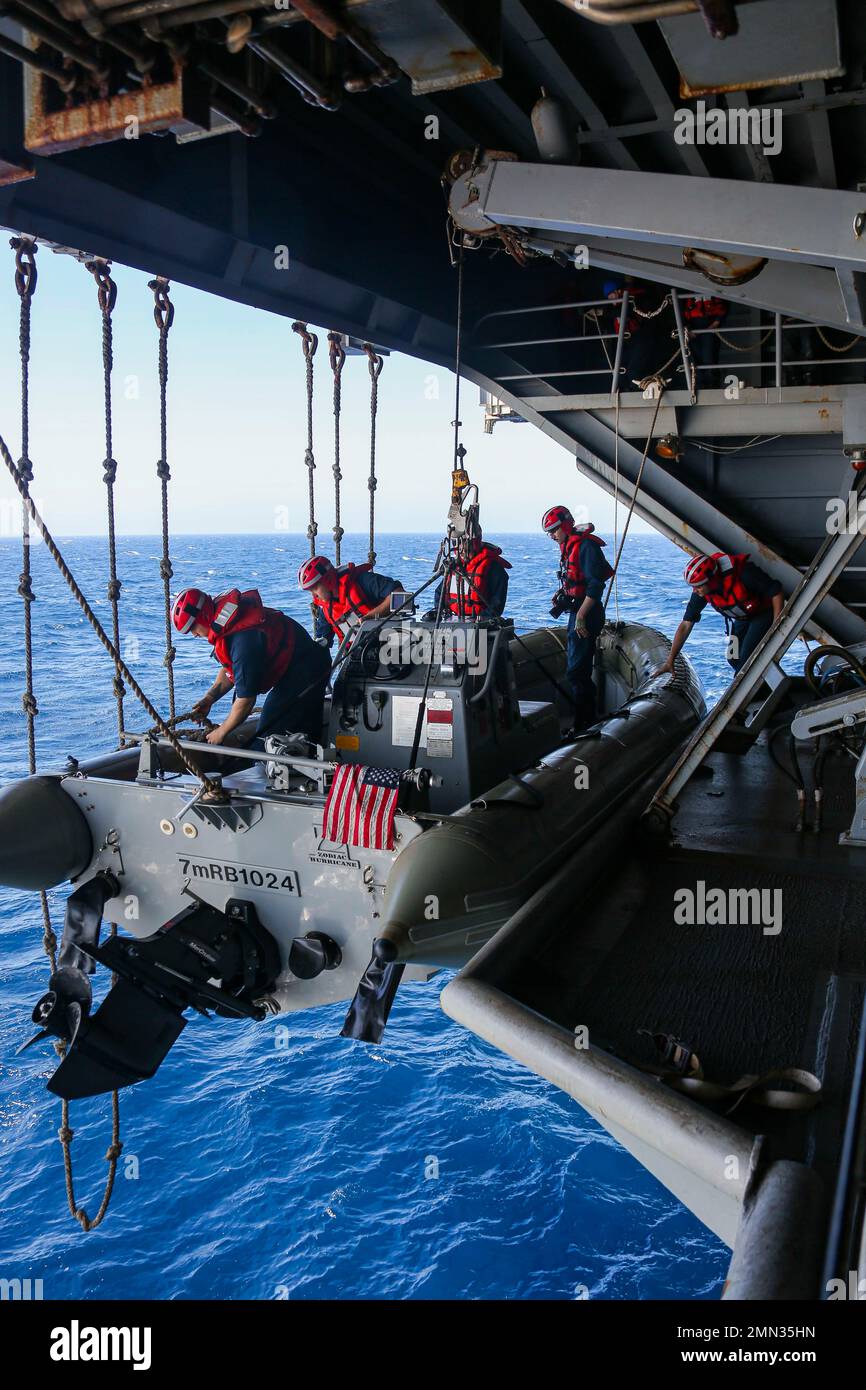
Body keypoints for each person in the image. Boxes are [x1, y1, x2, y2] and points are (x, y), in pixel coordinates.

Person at [172, 586, 330, 747]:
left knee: (265, 741)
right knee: (295, 728)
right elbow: (232, 670)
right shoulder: (229, 628)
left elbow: (246, 700)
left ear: (204, 617)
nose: (194, 634)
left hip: (307, 670)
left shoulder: (243, 641)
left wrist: (221, 732)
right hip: (303, 665)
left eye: (192, 627)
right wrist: (210, 698)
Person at [655, 553, 784, 679]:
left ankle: (745, 693)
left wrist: (776, 626)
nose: (695, 591)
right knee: (733, 658)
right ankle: (763, 685)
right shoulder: (702, 592)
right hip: (741, 619)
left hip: (762, 614)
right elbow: (686, 624)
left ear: (711, 580)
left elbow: (775, 591)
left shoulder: (744, 573)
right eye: (693, 587)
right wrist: (670, 660)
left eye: (698, 586)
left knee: (746, 661)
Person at [542, 505, 614, 730]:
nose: (552, 535)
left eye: (554, 530)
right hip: (578, 610)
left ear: (564, 526)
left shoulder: (586, 547)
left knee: (577, 672)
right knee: (578, 669)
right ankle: (584, 719)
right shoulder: (568, 546)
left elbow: (596, 585)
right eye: (549, 532)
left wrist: (582, 615)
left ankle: (585, 722)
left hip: (588, 614)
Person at [298, 554, 402, 647]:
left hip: (393, 649)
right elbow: (322, 644)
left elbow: (400, 597)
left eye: (315, 588)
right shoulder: (325, 611)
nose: (313, 595)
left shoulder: (364, 581)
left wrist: (371, 617)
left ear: (328, 580)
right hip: (359, 660)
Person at [433, 531, 511, 618]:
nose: (460, 547)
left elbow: (497, 603)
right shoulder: (454, 566)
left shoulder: (493, 567)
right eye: (455, 543)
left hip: (480, 624)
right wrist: (439, 611)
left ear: (474, 543)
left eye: (463, 543)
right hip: (452, 620)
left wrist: (482, 619)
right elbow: (439, 592)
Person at [683, 294, 728, 383]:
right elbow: (681, 309)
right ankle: (700, 386)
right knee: (696, 359)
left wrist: (716, 323)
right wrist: (688, 328)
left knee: (709, 359)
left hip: (711, 325)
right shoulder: (686, 290)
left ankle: (712, 386)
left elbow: (724, 305)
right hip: (693, 326)